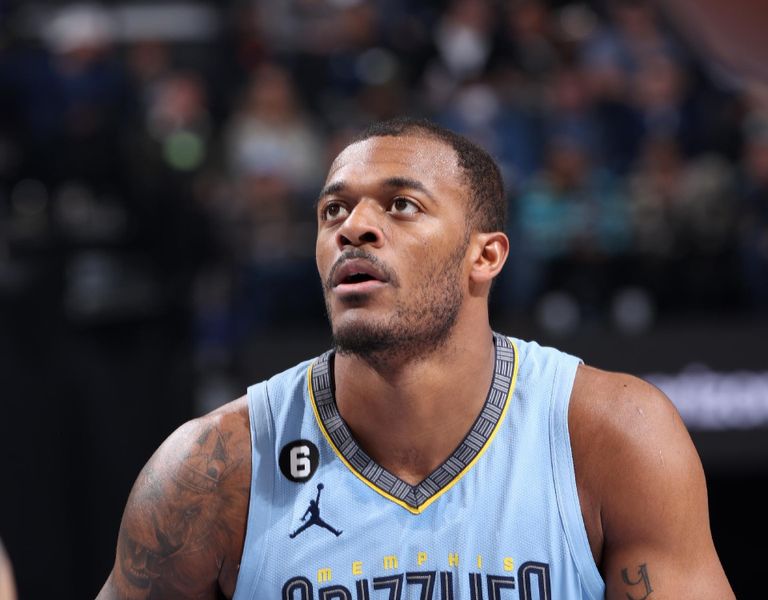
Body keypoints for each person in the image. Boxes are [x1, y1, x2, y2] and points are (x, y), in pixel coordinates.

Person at [98, 118, 734, 599]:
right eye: (333, 210)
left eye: (402, 204)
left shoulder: (610, 434)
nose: (354, 227)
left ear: (485, 256)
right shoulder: (215, 469)